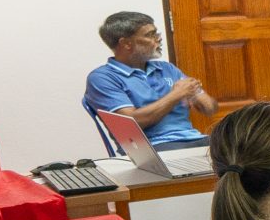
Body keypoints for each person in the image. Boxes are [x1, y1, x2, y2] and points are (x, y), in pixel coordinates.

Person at [85, 11, 213, 149]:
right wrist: (177, 95)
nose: (158, 39)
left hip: (193, 137)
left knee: (236, 148)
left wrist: (199, 99)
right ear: (126, 43)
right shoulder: (102, 78)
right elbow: (131, 123)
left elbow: (210, 108)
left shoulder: (167, 68)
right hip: (152, 146)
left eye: (156, 33)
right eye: (150, 35)